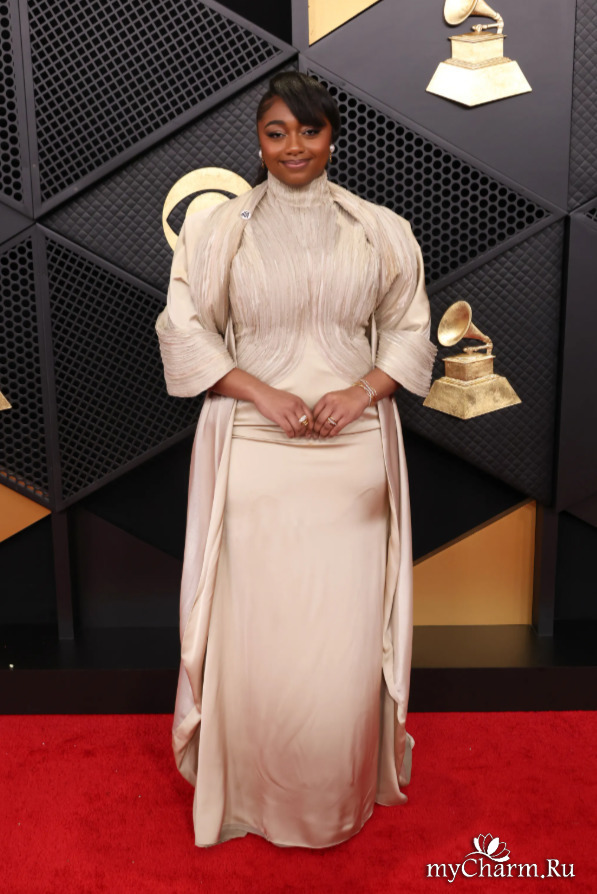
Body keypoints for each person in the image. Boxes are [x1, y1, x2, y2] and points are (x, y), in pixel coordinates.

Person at [155, 71, 437, 849]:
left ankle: (331, 800)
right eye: (276, 132)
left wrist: (360, 392)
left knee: (341, 644)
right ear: (257, 139)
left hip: (351, 457)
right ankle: (249, 795)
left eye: (308, 131)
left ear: (331, 137)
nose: (293, 147)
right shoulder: (220, 229)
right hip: (253, 452)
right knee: (257, 634)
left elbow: (409, 330)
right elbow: (183, 328)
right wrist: (262, 394)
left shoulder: (379, 228)